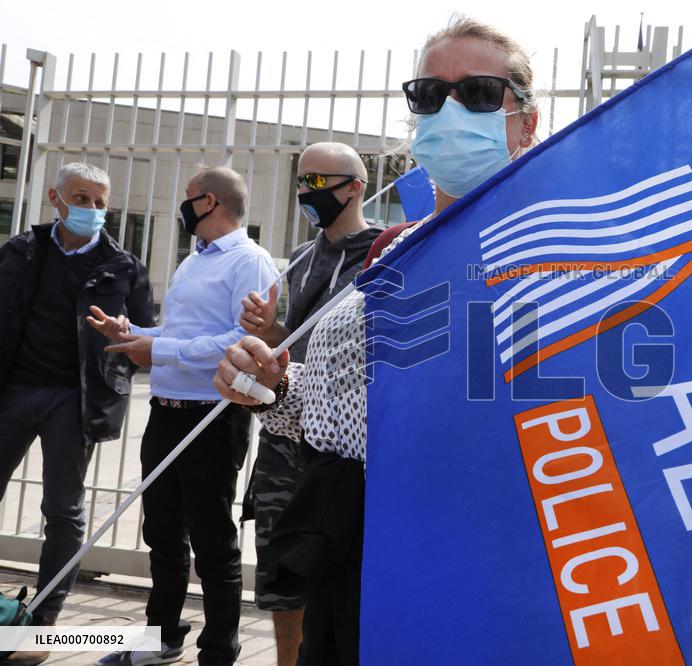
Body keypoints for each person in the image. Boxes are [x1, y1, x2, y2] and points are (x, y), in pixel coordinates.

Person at [214, 18, 538, 666]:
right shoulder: (391, 252)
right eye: (429, 95)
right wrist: (275, 386)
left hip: (499, 574)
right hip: (365, 566)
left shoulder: (567, 254)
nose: (450, 112)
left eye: (478, 93)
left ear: (525, 123)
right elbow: (336, 421)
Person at [91, 167, 279, 666]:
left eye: (188, 196)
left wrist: (158, 350)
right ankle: (161, 638)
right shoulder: (195, 259)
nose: (183, 205)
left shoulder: (249, 261)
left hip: (213, 416)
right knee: (162, 533)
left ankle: (218, 651)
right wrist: (135, 334)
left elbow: (242, 342)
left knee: (213, 540)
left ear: (209, 202)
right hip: (166, 411)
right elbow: (182, 332)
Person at [0, 162, 154, 666]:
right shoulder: (20, 251)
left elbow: (143, 340)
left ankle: (44, 622)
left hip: (75, 401)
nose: (91, 209)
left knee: (63, 512)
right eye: (81, 198)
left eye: (99, 202)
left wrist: (122, 342)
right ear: (55, 198)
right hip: (13, 392)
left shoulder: (123, 266)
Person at [238, 142, 381, 666]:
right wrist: (268, 331)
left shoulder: (384, 254)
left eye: (318, 182)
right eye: (301, 180)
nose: (306, 192)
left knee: (336, 569)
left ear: (355, 187)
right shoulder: (300, 258)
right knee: (282, 566)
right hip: (283, 430)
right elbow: (292, 345)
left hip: (341, 444)